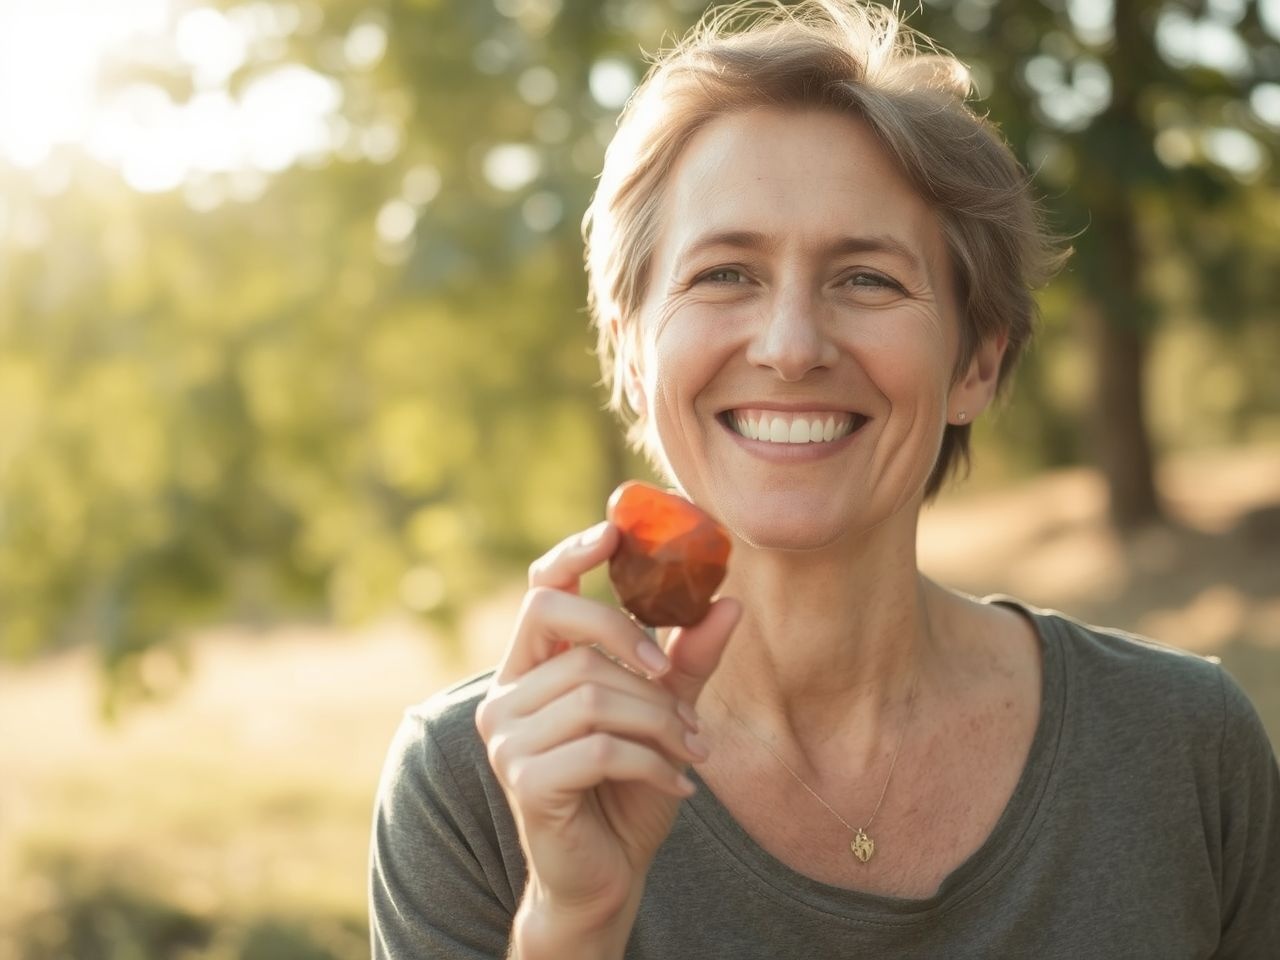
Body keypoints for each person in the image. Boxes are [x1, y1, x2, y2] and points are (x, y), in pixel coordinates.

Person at [369, 1, 1280, 956]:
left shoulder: (1185, 744)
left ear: (974, 363)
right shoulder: (473, 782)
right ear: (633, 352)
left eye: (868, 279)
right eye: (725, 273)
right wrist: (575, 922)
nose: (793, 346)